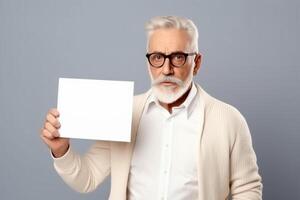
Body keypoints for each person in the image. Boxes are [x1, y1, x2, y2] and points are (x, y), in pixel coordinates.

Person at [40, 16, 262, 200]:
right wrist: (61, 151)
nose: (166, 69)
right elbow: (87, 178)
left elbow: (247, 189)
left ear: (197, 63)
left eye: (178, 57)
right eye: (157, 57)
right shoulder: (124, 113)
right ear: (148, 63)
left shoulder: (228, 120)